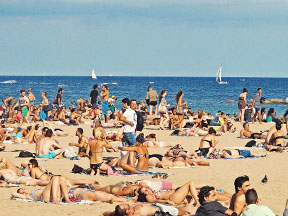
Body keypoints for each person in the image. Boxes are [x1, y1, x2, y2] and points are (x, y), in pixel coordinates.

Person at [117, 98, 137, 165]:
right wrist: (129, 122)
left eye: (123, 104)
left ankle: (127, 162)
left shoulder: (129, 111)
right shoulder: (128, 111)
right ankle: (131, 163)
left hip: (130, 131)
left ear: (125, 104)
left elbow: (122, 118)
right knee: (133, 148)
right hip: (129, 131)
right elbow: (122, 118)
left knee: (129, 147)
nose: (122, 105)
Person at [104, 202, 194, 216]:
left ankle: (187, 207)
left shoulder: (131, 209)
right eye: (123, 205)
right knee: (181, 212)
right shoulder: (136, 213)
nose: (124, 203)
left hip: (155, 205)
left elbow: (105, 213)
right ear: (126, 211)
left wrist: (114, 213)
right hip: (161, 211)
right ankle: (187, 209)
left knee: (177, 208)